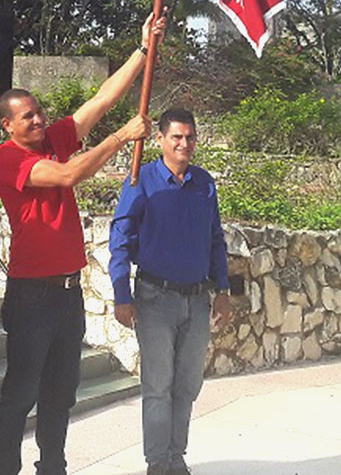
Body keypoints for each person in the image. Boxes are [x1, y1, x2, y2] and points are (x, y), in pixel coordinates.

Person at [0, 13, 164, 475]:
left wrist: (142, 50)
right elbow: (68, 174)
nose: (39, 120)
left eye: (40, 112)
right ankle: (3, 469)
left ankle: (53, 467)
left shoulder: (52, 139)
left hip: (67, 293)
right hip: (32, 294)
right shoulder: (8, 159)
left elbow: (102, 100)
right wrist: (120, 139)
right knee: (20, 393)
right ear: (7, 125)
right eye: (27, 117)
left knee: (59, 393)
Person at [108, 108, 231, 475]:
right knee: (158, 386)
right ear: (160, 139)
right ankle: (157, 463)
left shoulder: (204, 183)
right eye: (176, 136)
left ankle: (177, 457)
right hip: (155, 298)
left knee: (188, 384)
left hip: (196, 300)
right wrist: (121, 294)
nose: (184, 143)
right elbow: (121, 240)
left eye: (190, 137)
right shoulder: (140, 180)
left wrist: (222, 289)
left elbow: (215, 240)